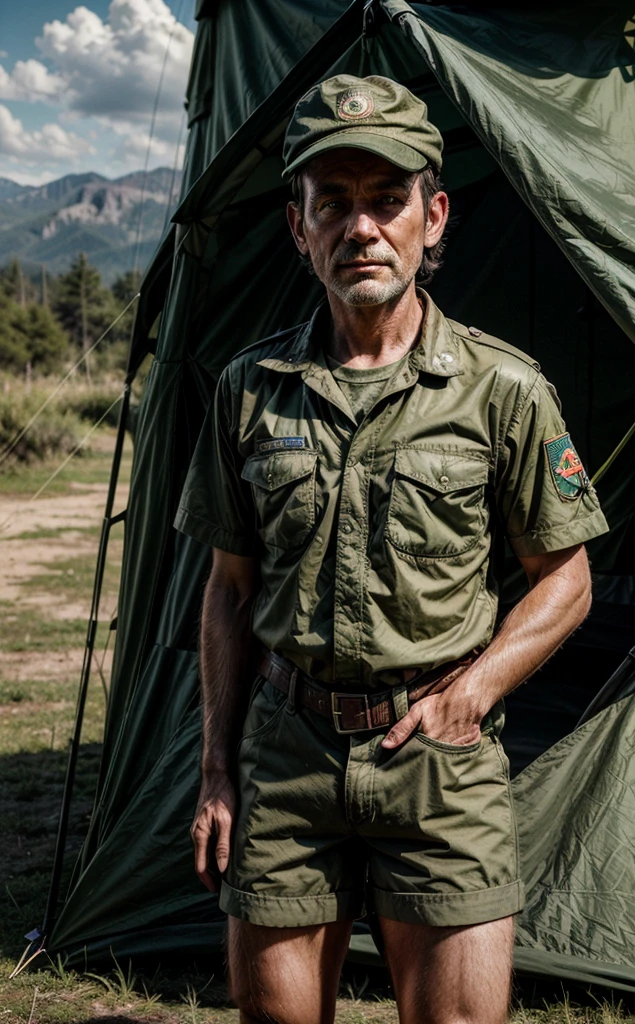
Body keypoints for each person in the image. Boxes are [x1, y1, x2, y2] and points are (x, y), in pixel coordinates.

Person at [174, 74, 609, 1024]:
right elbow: (228, 590)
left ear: (434, 216)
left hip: (439, 764)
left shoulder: (504, 391)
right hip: (286, 756)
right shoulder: (249, 395)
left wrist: (474, 692)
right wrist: (217, 768)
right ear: (299, 227)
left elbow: (565, 580)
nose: (360, 227)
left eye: (385, 200)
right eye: (332, 202)